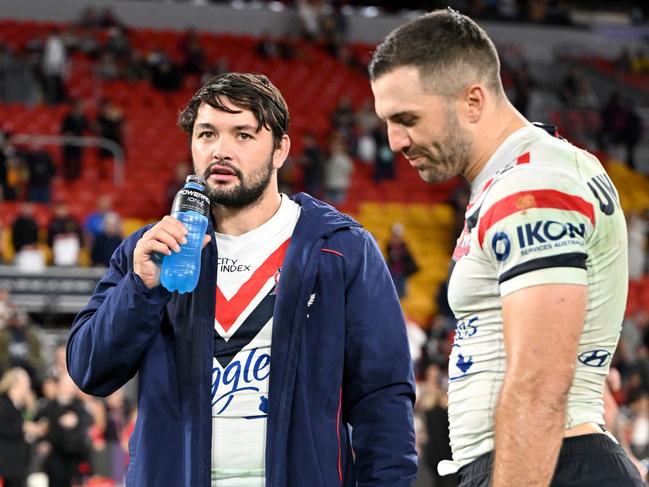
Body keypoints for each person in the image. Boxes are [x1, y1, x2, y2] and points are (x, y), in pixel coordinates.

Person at [67, 72, 417, 486]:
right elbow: (90, 369)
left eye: (243, 136)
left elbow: (383, 400)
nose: (221, 151)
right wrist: (140, 291)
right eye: (207, 134)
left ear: (280, 149)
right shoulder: (150, 251)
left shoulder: (342, 250)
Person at [369, 9, 642, 487]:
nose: (395, 141)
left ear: (473, 100)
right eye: (388, 122)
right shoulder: (530, 172)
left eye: (407, 119)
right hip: (554, 461)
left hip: (549, 465)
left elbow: (539, 386)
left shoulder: (530, 185)